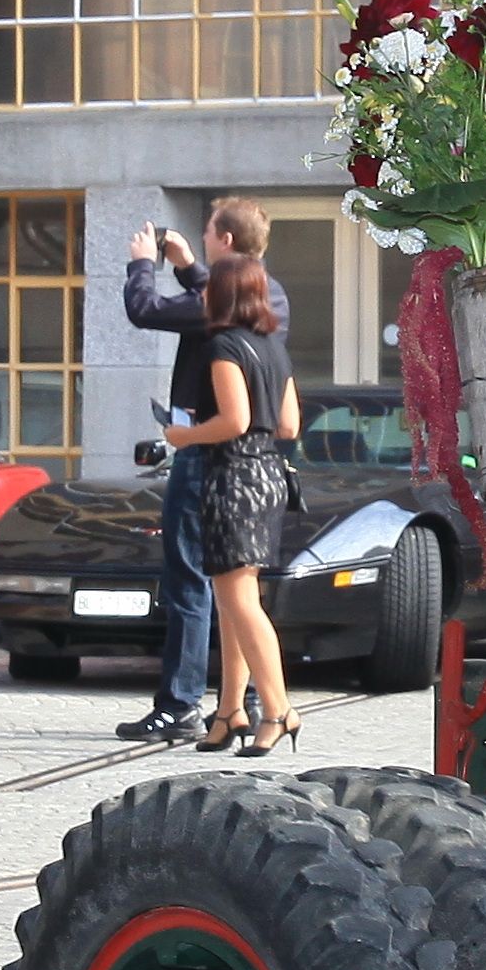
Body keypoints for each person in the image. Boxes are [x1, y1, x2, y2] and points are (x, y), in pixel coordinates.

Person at [110, 194, 276, 744]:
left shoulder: (220, 317)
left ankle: (209, 703)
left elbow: (147, 311)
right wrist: (187, 266)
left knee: (197, 579)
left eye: (206, 232)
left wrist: (142, 263)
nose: (201, 237)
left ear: (225, 241)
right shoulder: (267, 299)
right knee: (240, 590)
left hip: (214, 459)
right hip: (261, 466)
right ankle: (241, 704)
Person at [167, 250, 303, 755]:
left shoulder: (222, 345)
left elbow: (235, 420)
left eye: (208, 289)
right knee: (233, 600)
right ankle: (229, 711)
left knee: (240, 601)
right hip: (269, 474)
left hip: (233, 474)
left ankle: (279, 708)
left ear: (221, 294)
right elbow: (288, 426)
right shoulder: (274, 347)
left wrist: (185, 435)